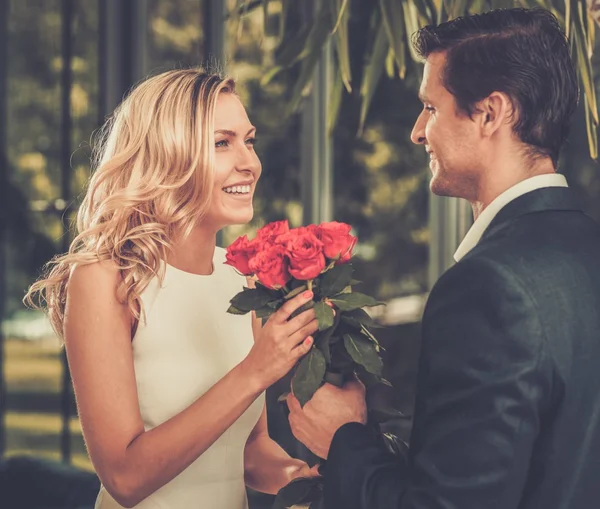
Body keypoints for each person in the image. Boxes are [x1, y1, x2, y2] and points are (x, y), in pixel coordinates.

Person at [286, 7, 600, 509]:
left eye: (431, 108)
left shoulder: (488, 286)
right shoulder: (589, 250)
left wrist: (344, 441)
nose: (417, 131)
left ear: (491, 113)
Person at [25, 69, 320, 509]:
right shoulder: (106, 279)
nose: (250, 163)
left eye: (249, 140)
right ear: (168, 155)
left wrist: (317, 481)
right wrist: (255, 371)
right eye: (222, 143)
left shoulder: (240, 278)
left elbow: (251, 452)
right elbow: (125, 478)